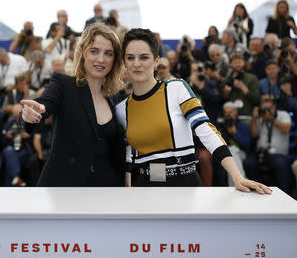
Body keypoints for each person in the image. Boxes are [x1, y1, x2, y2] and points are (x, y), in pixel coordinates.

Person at [115, 28, 270, 194]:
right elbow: (127, 152)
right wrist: (128, 186)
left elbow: (206, 130)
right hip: (143, 189)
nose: (136, 63)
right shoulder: (121, 109)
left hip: (184, 187)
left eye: (144, 57)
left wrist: (237, 176)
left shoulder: (177, 88)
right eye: (130, 58)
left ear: (156, 61)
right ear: (124, 62)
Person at [20, 23, 126, 187]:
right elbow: (43, 105)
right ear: (83, 53)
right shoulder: (63, 85)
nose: (101, 59)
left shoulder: (114, 97)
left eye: (108, 54)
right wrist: (30, 114)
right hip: (64, 189)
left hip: (105, 191)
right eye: (94, 51)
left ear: (115, 59)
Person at [249, 96, 291, 193]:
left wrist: (271, 119)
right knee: (248, 163)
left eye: (266, 101)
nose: (264, 104)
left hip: (278, 154)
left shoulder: (283, 114)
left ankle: (284, 195)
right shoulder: (260, 117)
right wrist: (254, 119)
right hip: (260, 153)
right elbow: (254, 134)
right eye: (262, 102)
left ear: (273, 105)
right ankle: (254, 192)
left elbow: (286, 128)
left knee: (280, 163)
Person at [222, 53, 259, 120]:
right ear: (231, 64)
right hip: (230, 117)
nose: (237, 64)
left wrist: (244, 89)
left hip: (246, 115)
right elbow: (222, 100)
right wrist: (225, 93)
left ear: (244, 63)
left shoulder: (252, 78)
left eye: (239, 62)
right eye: (235, 62)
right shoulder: (227, 79)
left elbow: (256, 99)